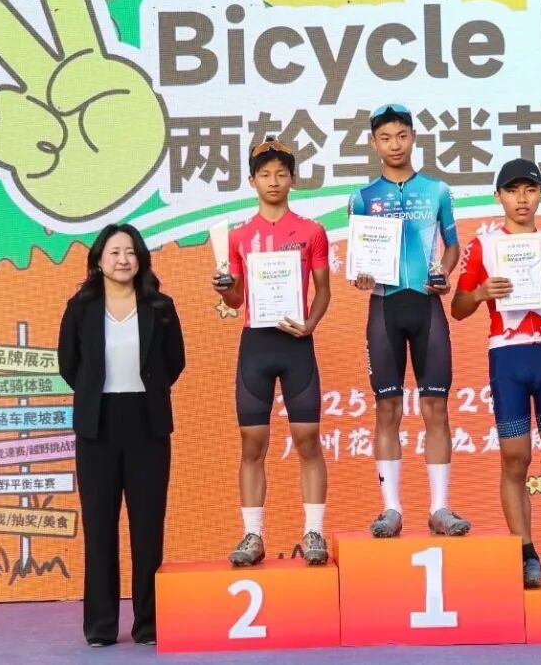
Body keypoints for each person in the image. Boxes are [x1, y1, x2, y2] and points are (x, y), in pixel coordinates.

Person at [451, 158, 541, 588]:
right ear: (498, 196)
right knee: (515, 459)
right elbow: (458, 309)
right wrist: (481, 293)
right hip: (507, 357)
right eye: (512, 191)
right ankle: (526, 555)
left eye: (529, 190)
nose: (522, 199)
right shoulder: (483, 246)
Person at [57, 223, 185, 647]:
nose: (123, 260)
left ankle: (148, 624)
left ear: (140, 258)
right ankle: (100, 626)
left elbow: (174, 361)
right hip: (98, 425)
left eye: (130, 252)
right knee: (99, 528)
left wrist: (150, 391)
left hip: (148, 423)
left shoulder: (160, 306)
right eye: (114, 252)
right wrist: (95, 394)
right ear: (98, 260)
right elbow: (69, 364)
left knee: (147, 528)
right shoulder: (80, 308)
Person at [348, 104, 469, 538]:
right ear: (373, 143)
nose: (394, 145)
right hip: (384, 306)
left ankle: (440, 507)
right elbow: (359, 259)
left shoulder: (437, 190)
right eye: (385, 138)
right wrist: (362, 275)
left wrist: (443, 272)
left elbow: (452, 246)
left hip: (426, 306)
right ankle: (391, 509)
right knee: (387, 408)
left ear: (414, 137)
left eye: (401, 135)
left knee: (436, 407)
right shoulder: (362, 197)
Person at [212, 138, 333, 566]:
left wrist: (311, 323)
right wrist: (225, 290)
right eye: (265, 174)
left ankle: (314, 531)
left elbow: (323, 290)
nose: (274, 181)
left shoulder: (312, 231)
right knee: (252, 442)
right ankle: (252, 535)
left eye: (281, 174)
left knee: (307, 438)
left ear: (293, 179)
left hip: (296, 342)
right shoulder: (239, 236)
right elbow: (236, 298)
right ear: (252, 181)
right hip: (256, 345)